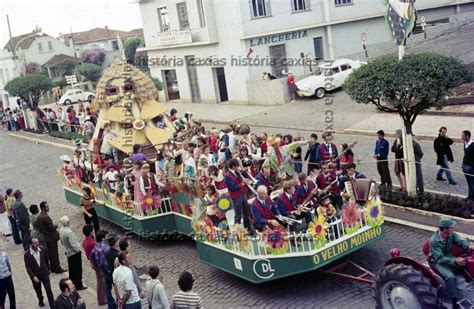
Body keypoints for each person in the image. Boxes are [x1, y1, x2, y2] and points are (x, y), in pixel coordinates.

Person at [428, 218, 474, 307]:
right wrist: (455, 260)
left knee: (465, 262)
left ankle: (468, 284)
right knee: (450, 277)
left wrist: (469, 245)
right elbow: (440, 258)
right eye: (452, 227)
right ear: (445, 229)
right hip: (437, 261)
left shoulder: (451, 234)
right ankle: (454, 301)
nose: (454, 229)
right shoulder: (433, 241)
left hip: (448, 256)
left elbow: (460, 242)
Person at [24, 236, 55, 308]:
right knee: (38, 290)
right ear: (30, 244)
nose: (37, 244)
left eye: (37, 242)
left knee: (48, 289)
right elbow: (28, 267)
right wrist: (33, 276)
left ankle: (52, 305)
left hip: (44, 272)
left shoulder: (42, 249)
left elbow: (46, 260)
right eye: (34, 243)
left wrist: (48, 269)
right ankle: (40, 299)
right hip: (35, 275)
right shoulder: (27, 254)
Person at [36, 201, 66, 274]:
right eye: (46, 207)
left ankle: (52, 267)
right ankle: (57, 268)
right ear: (43, 208)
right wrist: (56, 226)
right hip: (51, 237)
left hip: (46, 237)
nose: (48, 208)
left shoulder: (39, 216)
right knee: (54, 254)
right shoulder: (45, 217)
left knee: (50, 254)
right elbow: (51, 227)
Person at [59, 216, 86, 291]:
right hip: (74, 252)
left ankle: (73, 283)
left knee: (72, 269)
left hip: (68, 251)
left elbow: (61, 241)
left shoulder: (61, 230)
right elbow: (73, 244)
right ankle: (79, 285)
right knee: (77, 269)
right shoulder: (69, 232)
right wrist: (78, 250)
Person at [82, 225, 107, 306]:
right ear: (90, 232)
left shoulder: (85, 241)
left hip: (92, 262)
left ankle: (103, 298)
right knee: (100, 281)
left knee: (100, 280)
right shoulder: (92, 242)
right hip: (96, 263)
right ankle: (102, 299)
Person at [224, 159, 252, 230]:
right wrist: (242, 184)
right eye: (237, 166)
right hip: (236, 197)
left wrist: (242, 169)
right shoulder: (227, 176)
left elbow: (246, 175)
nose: (238, 167)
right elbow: (231, 188)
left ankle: (248, 229)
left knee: (246, 213)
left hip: (243, 194)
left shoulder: (237, 171)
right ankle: (238, 233)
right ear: (233, 166)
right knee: (238, 215)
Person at [90, 230, 112, 307]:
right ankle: (106, 301)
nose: (107, 237)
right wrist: (108, 270)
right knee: (105, 285)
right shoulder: (105, 248)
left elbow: (91, 256)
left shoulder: (96, 245)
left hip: (98, 267)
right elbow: (104, 262)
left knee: (101, 283)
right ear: (103, 238)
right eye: (106, 236)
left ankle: (102, 299)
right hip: (104, 269)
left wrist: (95, 265)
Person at [105, 234, 121, 309]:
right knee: (119, 292)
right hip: (117, 277)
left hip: (110, 274)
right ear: (115, 243)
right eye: (118, 240)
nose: (119, 241)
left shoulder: (107, 252)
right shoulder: (117, 255)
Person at [461, 130, 474, 200]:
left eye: (463, 136)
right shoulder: (465, 143)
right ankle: (470, 196)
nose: (461, 137)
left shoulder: (473, 145)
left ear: (467, 136)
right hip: (465, 166)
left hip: (471, 168)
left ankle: (472, 198)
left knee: (472, 183)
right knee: (469, 183)